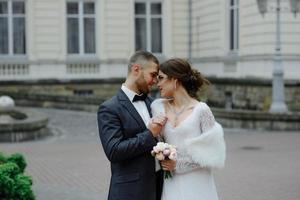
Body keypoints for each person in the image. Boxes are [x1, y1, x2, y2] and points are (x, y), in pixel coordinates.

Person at [151, 58, 226, 200]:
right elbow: (157, 141)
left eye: (161, 78)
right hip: (171, 183)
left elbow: (213, 153)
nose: (157, 83)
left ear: (175, 80)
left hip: (198, 183)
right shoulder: (157, 106)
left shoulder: (202, 110)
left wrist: (177, 164)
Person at [97, 50, 167, 200]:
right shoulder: (109, 108)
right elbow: (114, 151)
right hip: (129, 192)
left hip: (159, 188)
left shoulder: (152, 104)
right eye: (153, 75)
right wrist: (150, 134)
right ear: (136, 69)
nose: (155, 81)